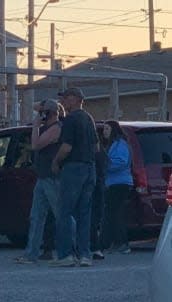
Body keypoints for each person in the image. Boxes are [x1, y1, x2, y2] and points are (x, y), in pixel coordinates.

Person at [51, 87, 98, 267]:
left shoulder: (70, 119)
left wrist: (56, 162)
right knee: (84, 213)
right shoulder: (89, 118)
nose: (63, 101)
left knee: (64, 211)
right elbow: (96, 147)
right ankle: (85, 254)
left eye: (66, 98)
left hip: (73, 168)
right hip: (89, 167)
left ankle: (66, 255)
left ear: (76, 99)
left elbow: (66, 147)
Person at [14, 100, 63, 264]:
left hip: (52, 177)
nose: (40, 115)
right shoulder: (45, 128)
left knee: (61, 214)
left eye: (43, 112)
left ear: (51, 113)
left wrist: (35, 126)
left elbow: (36, 145)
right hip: (42, 177)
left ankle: (77, 248)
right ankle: (31, 253)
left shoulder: (56, 128)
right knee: (36, 216)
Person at [101, 120, 133, 254]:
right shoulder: (112, 145)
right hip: (112, 183)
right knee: (111, 213)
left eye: (107, 129)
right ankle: (114, 242)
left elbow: (121, 162)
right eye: (104, 129)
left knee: (115, 213)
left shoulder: (120, 144)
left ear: (114, 130)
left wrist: (105, 165)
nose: (104, 132)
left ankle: (122, 243)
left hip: (120, 183)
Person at [91, 143, 108, 260]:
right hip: (99, 184)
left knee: (90, 218)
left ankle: (94, 247)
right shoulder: (100, 149)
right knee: (95, 218)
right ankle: (96, 248)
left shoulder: (87, 148)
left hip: (93, 185)